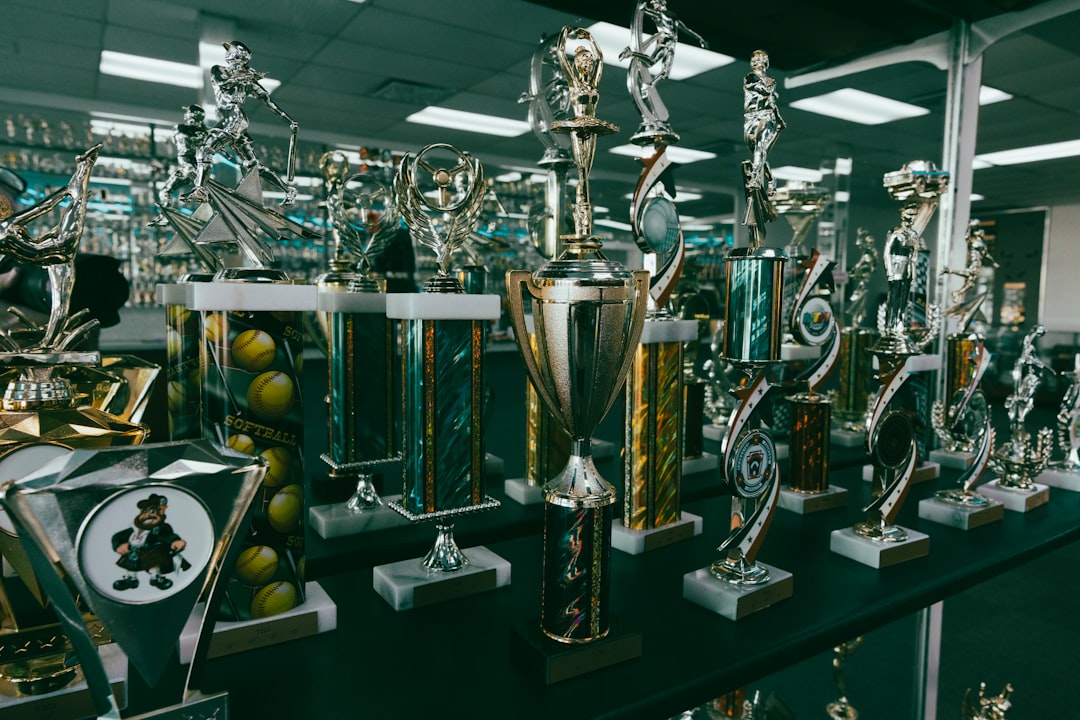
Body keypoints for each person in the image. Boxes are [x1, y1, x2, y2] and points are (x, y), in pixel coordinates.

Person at [185, 41, 298, 205]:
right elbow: (224, 83)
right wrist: (247, 76)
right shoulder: (220, 70)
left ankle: (200, 190)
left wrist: (289, 120)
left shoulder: (248, 79)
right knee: (253, 165)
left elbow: (267, 101)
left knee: (205, 149)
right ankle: (288, 190)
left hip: (234, 117)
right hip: (230, 118)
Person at [742, 50, 784, 245]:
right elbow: (764, 91)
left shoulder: (771, 80)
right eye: (755, 59)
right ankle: (771, 181)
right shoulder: (750, 78)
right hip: (750, 118)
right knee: (760, 154)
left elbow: (771, 100)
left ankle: (754, 181)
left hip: (766, 117)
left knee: (760, 149)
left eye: (762, 60)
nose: (758, 62)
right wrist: (770, 90)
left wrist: (779, 117)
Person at [157, 104, 208, 207]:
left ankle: (165, 217)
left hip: (188, 166)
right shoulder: (205, 133)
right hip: (196, 167)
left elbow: (177, 141)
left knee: (165, 191)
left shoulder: (180, 129)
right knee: (165, 191)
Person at [881, 203, 920, 338]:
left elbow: (914, 257)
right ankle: (890, 326)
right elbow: (887, 253)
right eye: (910, 214)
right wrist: (890, 272)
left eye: (914, 215)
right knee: (894, 298)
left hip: (908, 270)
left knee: (904, 299)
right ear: (903, 214)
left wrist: (913, 274)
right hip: (896, 269)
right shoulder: (895, 232)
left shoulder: (914, 234)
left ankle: (900, 324)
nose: (912, 218)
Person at [846, 228, 878, 328]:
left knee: (859, 304)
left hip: (863, 285)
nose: (858, 244)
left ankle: (856, 323)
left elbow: (863, 267)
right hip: (862, 284)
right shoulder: (866, 256)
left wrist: (856, 271)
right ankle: (855, 323)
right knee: (858, 304)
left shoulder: (868, 256)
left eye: (861, 242)